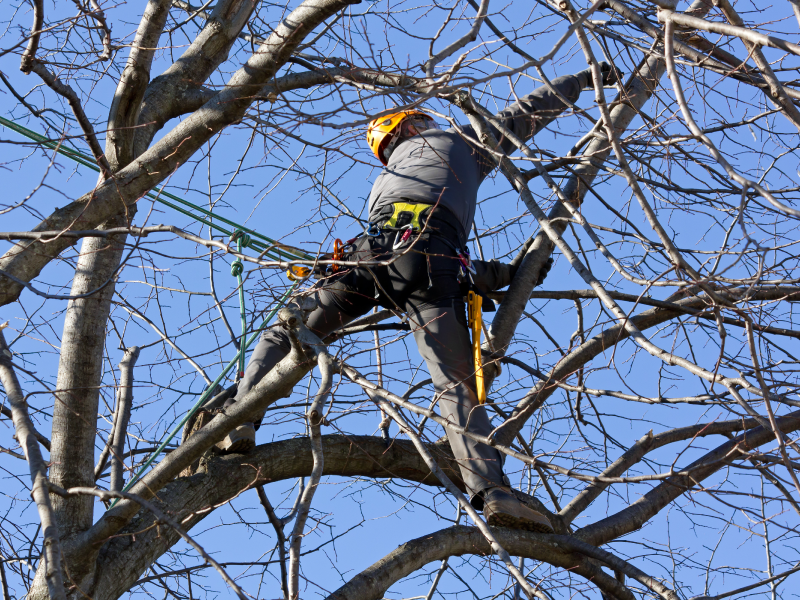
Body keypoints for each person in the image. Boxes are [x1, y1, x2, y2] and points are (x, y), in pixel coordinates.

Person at [216, 64, 619, 533]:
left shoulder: (385, 183)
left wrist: (507, 272)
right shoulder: (459, 145)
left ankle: (240, 416)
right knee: (455, 388)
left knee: (288, 329)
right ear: (407, 128)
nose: (431, 127)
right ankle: (494, 494)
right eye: (422, 122)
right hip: (431, 267)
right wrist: (583, 78)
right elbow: (530, 112)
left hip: (367, 261)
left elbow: (420, 252)